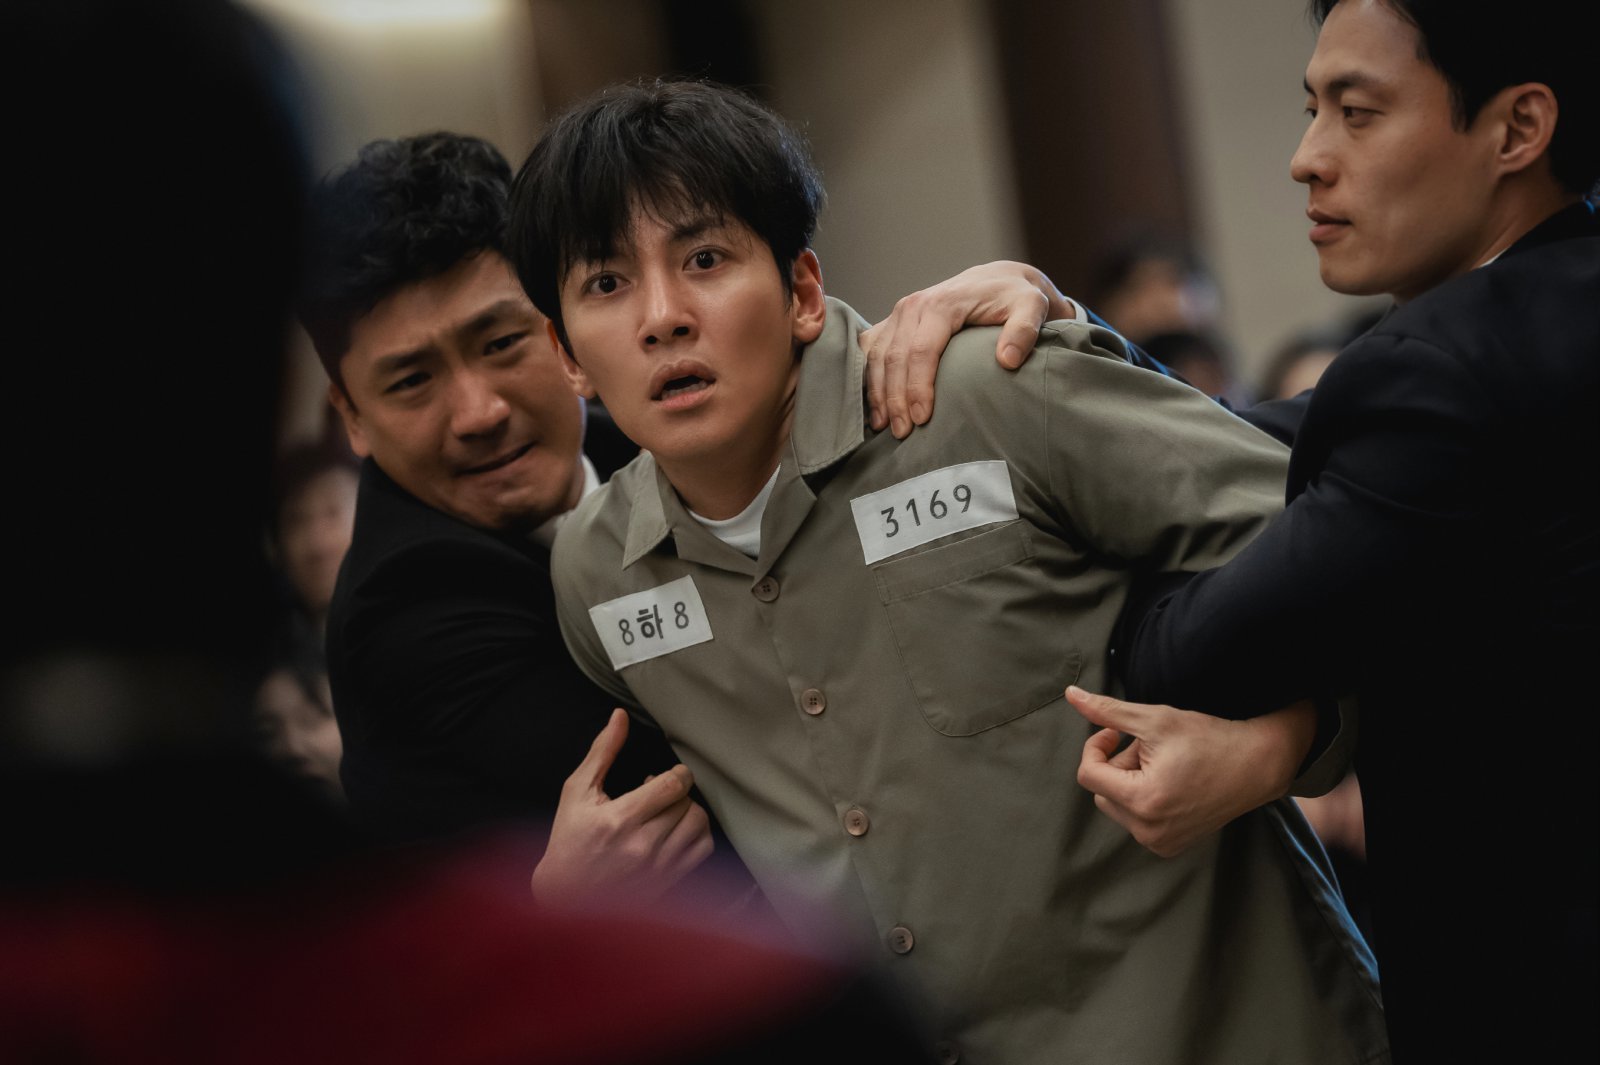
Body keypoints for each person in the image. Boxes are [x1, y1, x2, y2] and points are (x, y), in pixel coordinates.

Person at [511, 79, 1386, 1064]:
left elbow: (1363, 554)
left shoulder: (981, 395)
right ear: (566, 356)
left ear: (802, 291)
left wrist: (1279, 744)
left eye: (704, 260)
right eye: (606, 284)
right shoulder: (598, 575)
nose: (663, 317)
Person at [866, 0, 1597, 1057]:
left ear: (1518, 128)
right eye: (1310, 109)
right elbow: (1270, 442)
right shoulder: (1522, 332)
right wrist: (1073, 341)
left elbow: (1182, 658)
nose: (1307, 158)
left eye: (1357, 112)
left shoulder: (1441, 370)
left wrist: (1092, 554)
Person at [298, 133, 721, 901]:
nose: (479, 413)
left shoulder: (641, 434)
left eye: (500, 342)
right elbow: (718, 788)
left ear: (560, 327)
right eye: (411, 381)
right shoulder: (410, 604)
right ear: (352, 415)